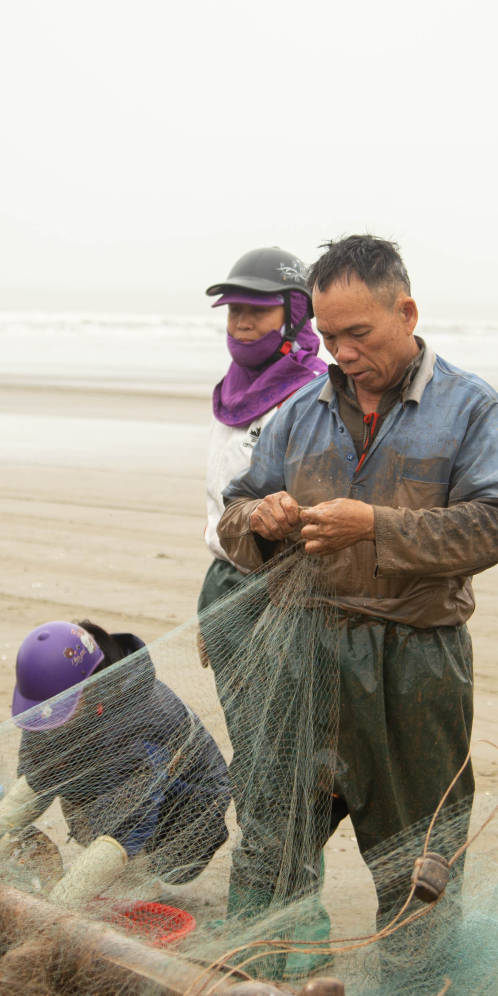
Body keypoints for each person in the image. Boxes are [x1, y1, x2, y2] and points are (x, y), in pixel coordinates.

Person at [218, 234, 498, 977]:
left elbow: (494, 523)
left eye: (360, 334)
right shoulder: (298, 412)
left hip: (417, 666)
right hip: (301, 650)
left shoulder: (470, 406)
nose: (343, 353)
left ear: (406, 310)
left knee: (419, 864)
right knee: (270, 843)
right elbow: (233, 514)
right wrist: (258, 519)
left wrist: (375, 527)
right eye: (328, 337)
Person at [195, 247, 329, 956]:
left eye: (259, 310)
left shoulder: (314, 396)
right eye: (234, 310)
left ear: (295, 316)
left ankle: (290, 925)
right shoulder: (228, 395)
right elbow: (220, 507)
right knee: (252, 757)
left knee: (284, 767)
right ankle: (263, 914)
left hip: (283, 595)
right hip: (227, 588)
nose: (242, 323)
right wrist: (213, 610)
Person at [0, 619, 231, 907]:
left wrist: (59, 902)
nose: (47, 720)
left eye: (57, 709)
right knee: (67, 769)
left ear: (90, 687)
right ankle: (110, 863)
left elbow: (132, 821)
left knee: (122, 815)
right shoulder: (54, 705)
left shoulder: (139, 723)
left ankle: (136, 877)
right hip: (125, 778)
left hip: (190, 811)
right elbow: (37, 777)